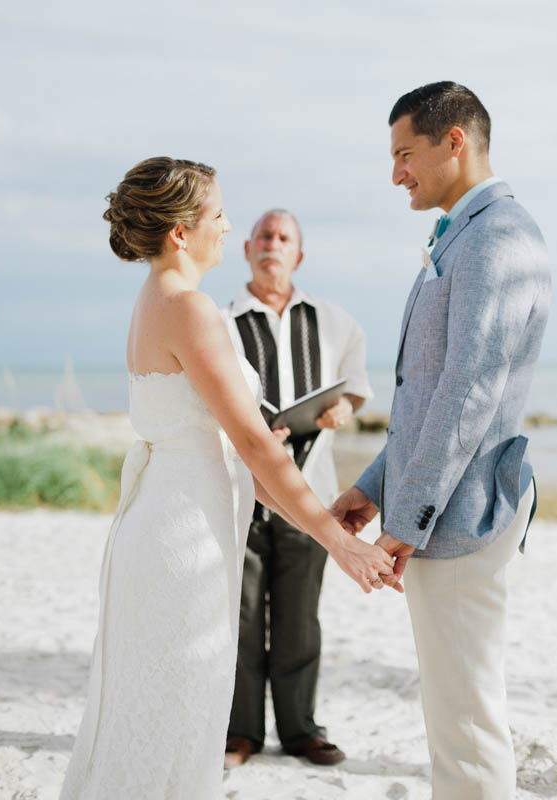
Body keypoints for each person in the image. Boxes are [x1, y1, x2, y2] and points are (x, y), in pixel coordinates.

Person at [59, 158, 395, 800]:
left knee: (172, 709)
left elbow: (238, 449)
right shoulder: (191, 307)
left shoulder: (156, 297)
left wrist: (320, 526)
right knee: (179, 709)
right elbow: (252, 446)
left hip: (171, 520)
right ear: (181, 232)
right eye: (218, 216)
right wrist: (339, 540)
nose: (229, 227)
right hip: (185, 540)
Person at [332, 82, 551, 800]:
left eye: (405, 154)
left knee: (466, 716)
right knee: (453, 709)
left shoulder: (497, 236)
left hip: (461, 513)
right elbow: (426, 397)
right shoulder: (463, 232)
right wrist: (373, 488)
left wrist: (409, 518)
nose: (397, 173)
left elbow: (469, 392)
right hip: (440, 506)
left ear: (453, 140)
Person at [221, 209, 373, 767]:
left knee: (300, 616)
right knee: (238, 615)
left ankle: (303, 730)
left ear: (298, 255)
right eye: (264, 235)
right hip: (240, 493)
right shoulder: (219, 322)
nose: (273, 244)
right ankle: (240, 733)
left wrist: (340, 410)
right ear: (246, 248)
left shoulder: (334, 320)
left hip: (314, 492)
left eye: (284, 238)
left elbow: (355, 388)